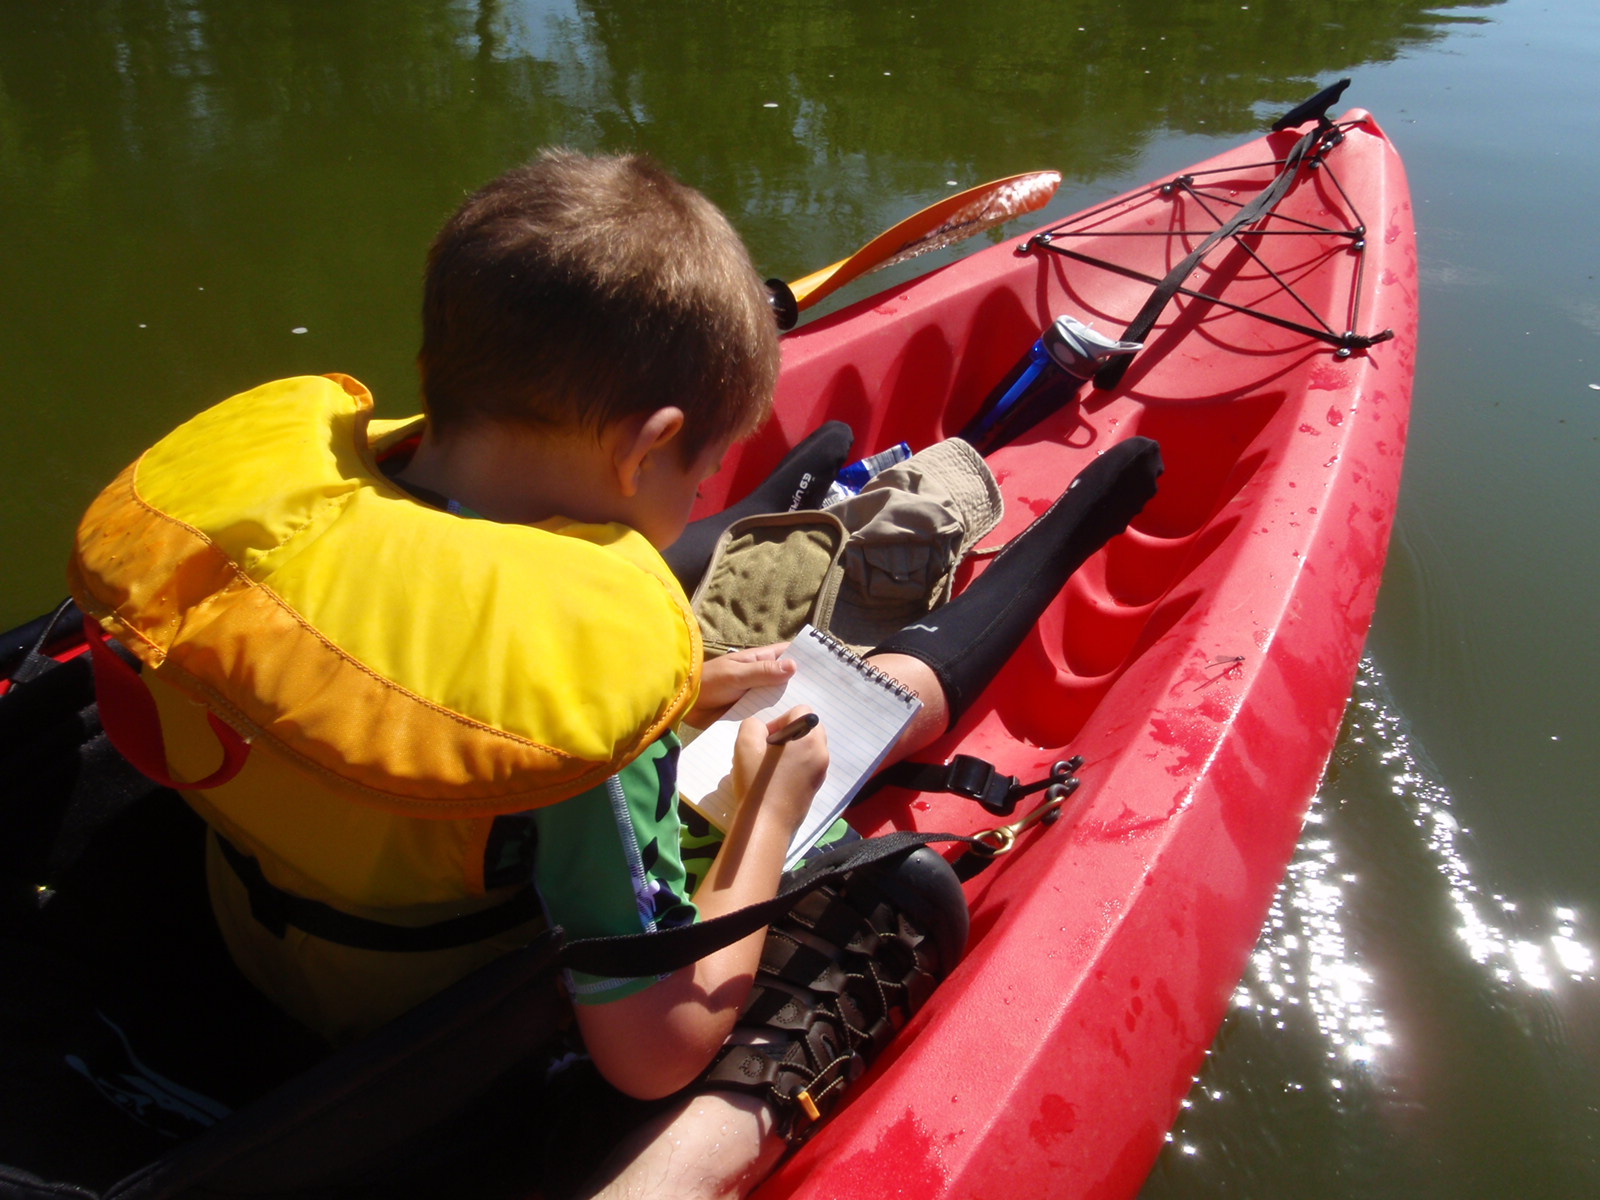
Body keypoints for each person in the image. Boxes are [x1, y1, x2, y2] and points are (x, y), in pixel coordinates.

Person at [68, 149, 1161, 1200]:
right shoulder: (573, 715)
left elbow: (384, 692)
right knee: (896, 897)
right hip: (410, 1057)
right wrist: (771, 819)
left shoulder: (263, 549)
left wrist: (681, 691)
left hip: (243, 952)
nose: (693, 500)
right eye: (698, 474)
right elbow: (653, 1050)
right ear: (649, 447)